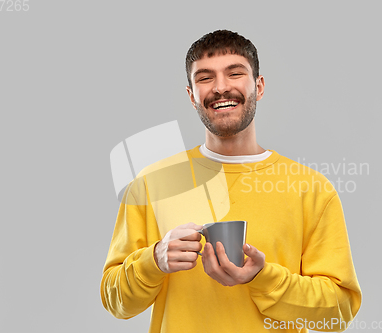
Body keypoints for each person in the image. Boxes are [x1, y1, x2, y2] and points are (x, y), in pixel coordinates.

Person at [101, 30, 362, 332]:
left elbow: (338, 313)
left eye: (235, 73)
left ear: (259, 86)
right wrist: (154, 259)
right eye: (204, 78)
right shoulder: (151, 183)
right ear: (191, 95)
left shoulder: (311, 189)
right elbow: (115, 301)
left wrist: (261, 278)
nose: (221, 88)